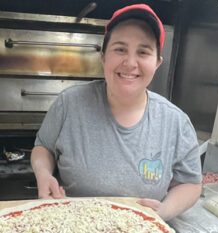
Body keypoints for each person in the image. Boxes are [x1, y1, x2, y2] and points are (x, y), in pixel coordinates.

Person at [31, 3, 202, 221]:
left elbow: (191, 183)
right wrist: (43, 174)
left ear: (157, 63)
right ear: (103, 56)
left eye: (143, 52)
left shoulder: (176, 122)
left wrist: (163, 213)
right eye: (120, 49)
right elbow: (43, 147)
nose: (130, 63)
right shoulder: (70, 103)